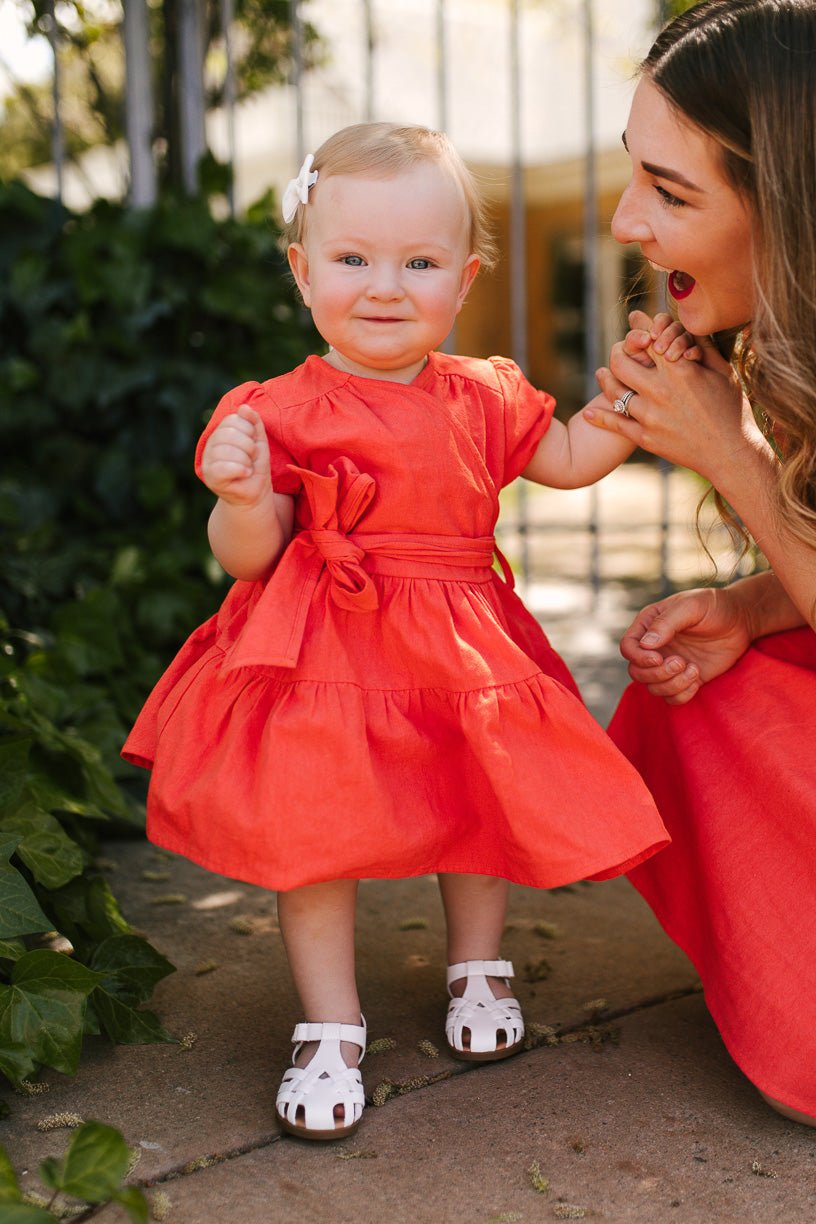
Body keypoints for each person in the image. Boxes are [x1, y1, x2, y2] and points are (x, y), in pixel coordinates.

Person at [123, 121, 670, 1141]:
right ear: (301, 270)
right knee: (315, 832)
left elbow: (565, 455)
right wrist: (240, 495)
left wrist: (632, 399)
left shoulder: (486, 394)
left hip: (462, 648)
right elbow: (249, 557)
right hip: (325, 651)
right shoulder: (274, 410)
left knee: (476, 800)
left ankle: (478, 970)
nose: (384, 286)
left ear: (461, 283)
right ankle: (330, 1022)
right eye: (352, 259)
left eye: (418, 262)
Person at [585, 0, 816, 1127]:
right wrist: (752, 604)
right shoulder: (781, 346)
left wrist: (732, 456)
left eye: (674, 195)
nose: (630, 221)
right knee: (704, 685)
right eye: (636, 175)